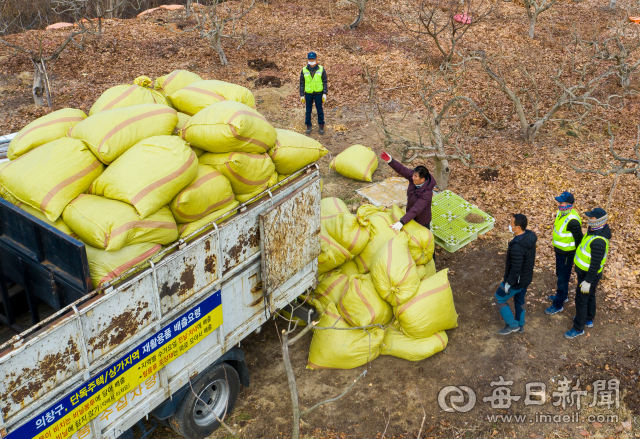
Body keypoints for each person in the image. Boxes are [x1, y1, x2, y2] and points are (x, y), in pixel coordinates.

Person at [564, 208, 611, 339]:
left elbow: (595, 264)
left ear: (599, 220)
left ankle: (578, 328)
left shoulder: (599, 240)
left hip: (589, 276)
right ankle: (588, 318)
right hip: (585, 273)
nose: (589, 219)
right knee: (590, 296)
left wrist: (588, 281)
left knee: (581, 300)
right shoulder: (593, 231)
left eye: (592, 218)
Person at [495, 214, 537, 335]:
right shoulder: (530, 236)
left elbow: (515, 269)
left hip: (516, 281)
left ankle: (512, 325)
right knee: (519, 299)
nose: (509, 225)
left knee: (499, 298)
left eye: (511, 224)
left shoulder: (517, 246)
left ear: (517, 227)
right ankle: (520, 324)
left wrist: (508, 284)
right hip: (526, 279)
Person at [545, 192, 583, 316]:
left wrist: (577, 257)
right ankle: (562, 296)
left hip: (567, 254)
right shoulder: (561, 213)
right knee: (559, 274)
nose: (559, 204)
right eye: (559, 202)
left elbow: (579, 240)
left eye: (561, 203)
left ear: (569, 205)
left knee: (563, 278)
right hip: (559, 252)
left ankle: (558, 304)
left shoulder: (573, 221)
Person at [380, 151, 436, 230]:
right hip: (410, 213)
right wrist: (391, 161)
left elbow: (416, 209)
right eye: (413, 174)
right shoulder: (413, 177)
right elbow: (402, 169)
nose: (412, 177)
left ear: (422, 180)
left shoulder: (426, 194)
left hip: (422, 220)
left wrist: (401, 222)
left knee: (423, 237)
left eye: (415, 176)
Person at [300, 52, 327, 135]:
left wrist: (325, 93)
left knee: (319, 110)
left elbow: (325, 82)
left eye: (313, 59)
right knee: (308, 110)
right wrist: (301, 94)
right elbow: (301, 83)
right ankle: (308, 125)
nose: (311, 60)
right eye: (310, 59)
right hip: (308, 94)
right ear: (308, 60)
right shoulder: (304, 70)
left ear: (316, 59)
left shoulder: (321, 69)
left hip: (319, 93)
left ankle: (321, 125)